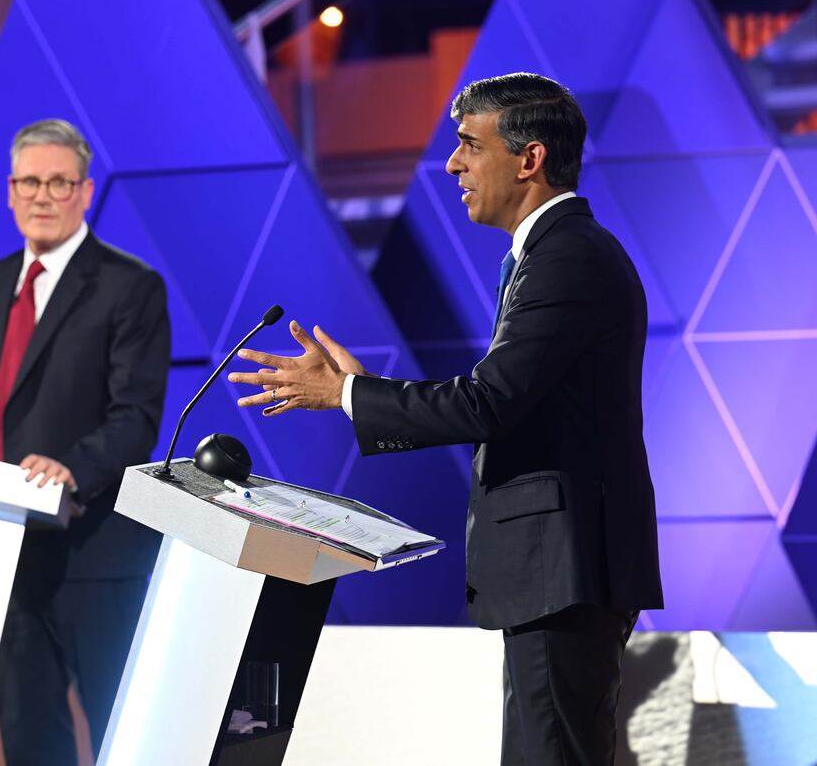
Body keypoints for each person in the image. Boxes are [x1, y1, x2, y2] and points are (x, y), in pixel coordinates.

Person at [228, 73, 662, 765]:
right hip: (556, 573)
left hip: (564, 570)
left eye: (468, 145)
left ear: (530, 159)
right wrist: (361, 391)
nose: (454, 164)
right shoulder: (549, 255)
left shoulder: (568, 257)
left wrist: (346, 396)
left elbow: (486, 401)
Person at [0, 119, 169, 763]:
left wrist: (70, 466)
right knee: (32, 743)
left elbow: (135, 416)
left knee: (123, 738)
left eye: (58, 182)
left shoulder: (130, 285)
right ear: (9, 192)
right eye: (29, 181)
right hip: (5, 554)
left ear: (85, 192)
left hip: (91, 553)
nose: (42, 195)